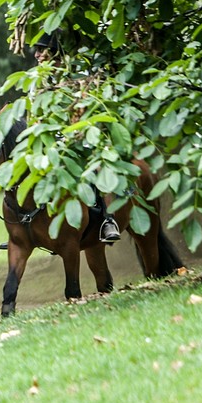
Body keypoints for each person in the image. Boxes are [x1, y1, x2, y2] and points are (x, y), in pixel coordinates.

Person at [31, 30, 121, 243]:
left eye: (41, 50)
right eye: (36, 50)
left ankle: (109, 219)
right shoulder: (37, 80)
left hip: (79, 135)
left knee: (97, 165)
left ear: (55, 53)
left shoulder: (75, 76)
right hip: (48, 138)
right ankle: (26, 226)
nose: (37, 55)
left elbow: (83, 110)